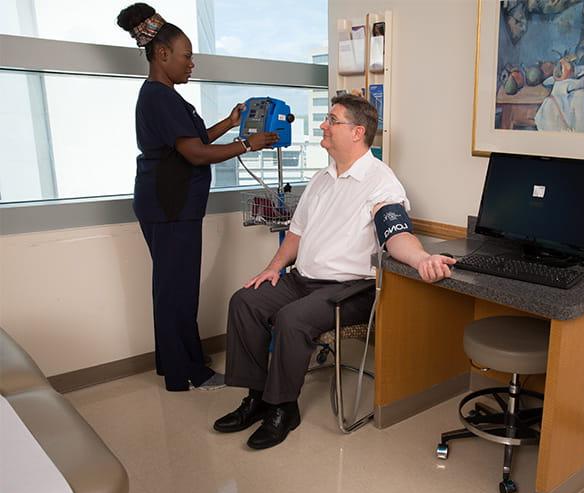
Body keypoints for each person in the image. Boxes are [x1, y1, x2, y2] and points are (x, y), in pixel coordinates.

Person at [213, 94, 456, 449]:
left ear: (357, 132)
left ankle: (283, 409)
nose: (323, 126)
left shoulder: (381, 182)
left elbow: (396, 234)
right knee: (245, 301)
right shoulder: (321, 179)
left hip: (349, 290)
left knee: (291, 320)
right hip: (302, 280)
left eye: (332, 120)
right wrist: (272, 268)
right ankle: (257, 398)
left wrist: (421, 260)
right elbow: (296, 233)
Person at [117, 3, 279, 391]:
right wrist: (246, 144)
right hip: (170, 205)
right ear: (162, 54)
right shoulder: (159, 96)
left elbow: (197, 138)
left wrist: (231, 121)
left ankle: (179, 361)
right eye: (187, 56)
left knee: (174, 287)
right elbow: (194, 153)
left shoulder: (166, 96)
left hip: (168, 203)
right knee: (177, 290)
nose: (192, 64)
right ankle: (186, 373)